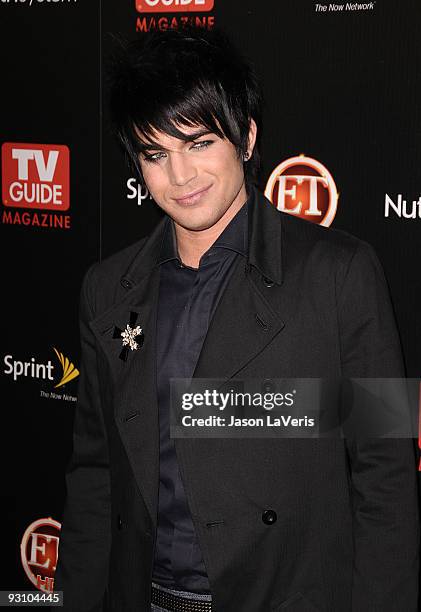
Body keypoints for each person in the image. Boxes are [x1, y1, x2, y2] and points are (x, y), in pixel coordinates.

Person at [54, 27, 419, 611]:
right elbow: (95, 477)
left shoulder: (342, 274)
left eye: (198, 143)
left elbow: (387, 474)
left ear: (246, 138)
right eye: (156, 154)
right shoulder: (107, 288)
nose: (180, 177)